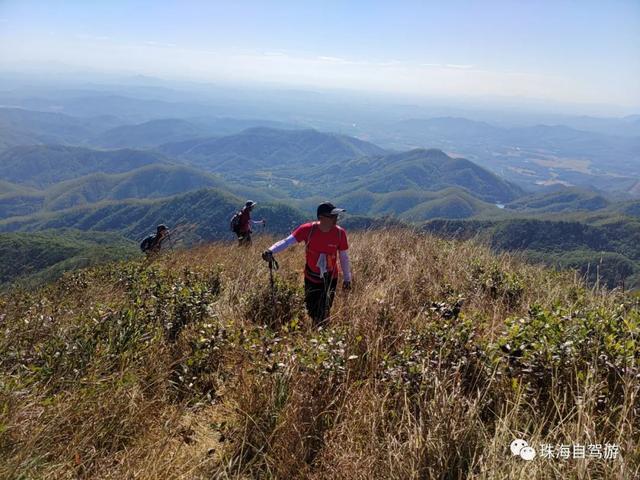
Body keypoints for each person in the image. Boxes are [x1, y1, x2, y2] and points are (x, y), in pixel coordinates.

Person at [262, 202, 352, 326]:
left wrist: (347, 278)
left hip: (331, 278)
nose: (336, 219)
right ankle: (318, 330)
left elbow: (343, 257)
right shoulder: (308, 230)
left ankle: (322, 331)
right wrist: (271, 250)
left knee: (325, 309)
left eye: (337, 216)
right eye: (332, 216)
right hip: (311, 277)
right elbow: (287, 241)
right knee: (311, 309)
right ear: (321, 218)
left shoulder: (340, 233)